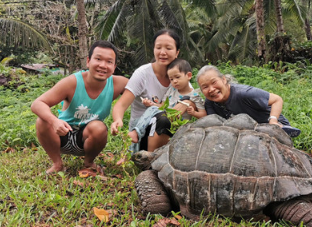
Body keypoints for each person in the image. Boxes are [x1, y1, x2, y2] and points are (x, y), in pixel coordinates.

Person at [31, 40, 129, 174]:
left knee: (99, 127)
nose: (103, 65)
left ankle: (89, 162)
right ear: (88, 61)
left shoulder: (119, 84)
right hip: (62, 135)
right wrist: (54, 121)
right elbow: (37, 103)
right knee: (42, 120)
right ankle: (57, 164)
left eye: (109, 62)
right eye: (98, 59)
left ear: (114, 66)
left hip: (87, 139)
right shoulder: (72, 82)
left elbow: (143, 88)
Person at [110, 29, 192, 152]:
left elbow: (193, 97)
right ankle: (150, 161)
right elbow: (121, 105)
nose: (162, 52)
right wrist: (117, 120)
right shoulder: (142, 74)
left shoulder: (180, 77)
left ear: (177, 52)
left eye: (168, 48)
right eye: (158, 47)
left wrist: (188, 103)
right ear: (153, 50)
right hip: (141, 136)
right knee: (164, 118)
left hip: (171, 135)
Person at [196, 65, 301, 137]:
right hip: (246, 132)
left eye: (214, 82)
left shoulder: (244, 93)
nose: (211, 89)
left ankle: (283, 130)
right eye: (205, 87)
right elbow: (214, 124)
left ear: (223, 79)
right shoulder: (210, 102)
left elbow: (277, 100)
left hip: (269, 125)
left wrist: (273, 121)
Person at [128, 58, 206, 146]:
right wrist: (151, 104)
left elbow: (204, 115)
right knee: (154, 109)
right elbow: (162, 106)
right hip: (163, 122)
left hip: (179, 127)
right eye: (171, 79)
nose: (174, 81)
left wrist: (194, 113)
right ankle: (137, 132)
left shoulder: (194, 96)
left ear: (188, 75)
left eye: (177, 77)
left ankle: (137, 134)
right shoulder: (172, 90)